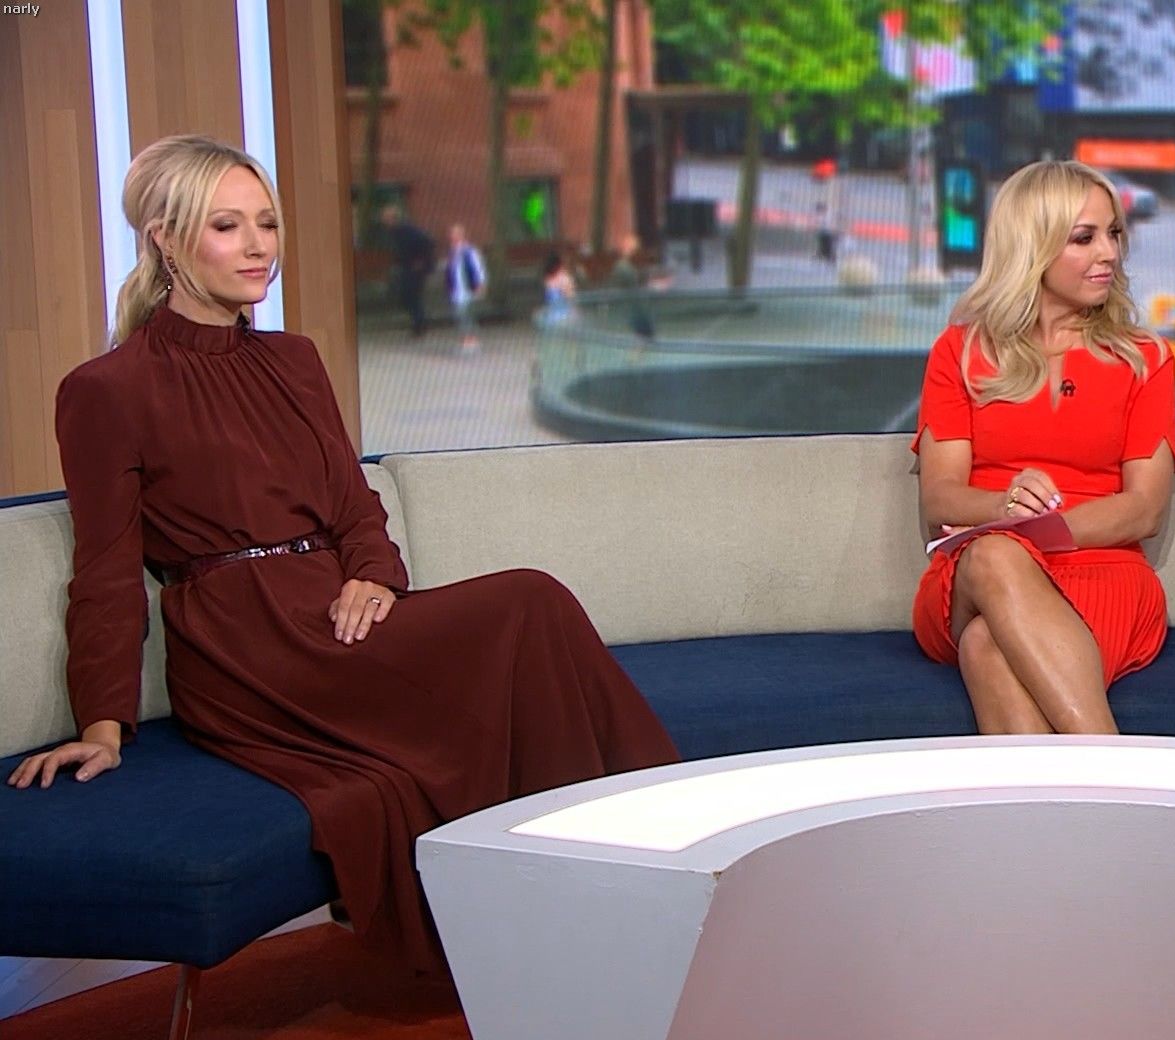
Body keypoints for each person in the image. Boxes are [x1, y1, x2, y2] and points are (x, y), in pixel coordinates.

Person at [6, 135, 678, 971]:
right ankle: (623, 887)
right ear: (165, 240)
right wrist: (102, 727)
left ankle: (608, 890)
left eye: (267, 223)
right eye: (227, 226)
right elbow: (105, 570)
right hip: (250, 646)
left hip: (339, 612)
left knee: (530, 623)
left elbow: (353, 502)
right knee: (529, 602)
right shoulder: (106, 389)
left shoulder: (294, 360)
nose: (258, 246)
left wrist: (372, 573)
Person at [911, 160, 1175, 735]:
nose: (1109, 253)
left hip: (1103, 571)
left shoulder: (1145, 358)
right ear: (1031, 246)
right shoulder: (960, 352)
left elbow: (1144, 510)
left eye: (1113, 233)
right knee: (994, 557)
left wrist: (1041, 531)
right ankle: (1116, 769)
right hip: (975, 572)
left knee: (986, 645)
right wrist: (1004, 509)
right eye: (1085, 238)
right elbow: (940, 497)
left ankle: (1083, 787)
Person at [380, 204, 433, 337]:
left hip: (415, 268)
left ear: (393, 218)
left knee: (412, 295)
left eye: (386, 218)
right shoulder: (393, 232)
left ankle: (420, 325)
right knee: (406, 296)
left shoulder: (407, 230)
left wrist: (421, 261)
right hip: (405, 266)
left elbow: (427, 242)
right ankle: (419, 323)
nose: (384, 221)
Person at [444, 222, 486, 353]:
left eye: (455, 234)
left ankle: (471, 339)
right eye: (451, 234)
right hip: (456, 290)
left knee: (465, 314)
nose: (453, 237)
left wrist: (480, 284)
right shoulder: (452, 252)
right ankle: (465, 339)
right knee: (459, 315)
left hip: (467, 288)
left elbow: (478, 267)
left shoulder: (469, 251)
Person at [536, 250, 577, 328]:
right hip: (562, 315)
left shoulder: (548, 279)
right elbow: (571, 297)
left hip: (554, 314)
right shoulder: (564, 278)